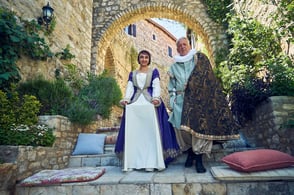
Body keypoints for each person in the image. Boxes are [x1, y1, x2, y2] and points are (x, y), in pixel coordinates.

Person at [168, 37, 240, 173]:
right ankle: (190, 151)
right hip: (180, 101)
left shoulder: (198, 59)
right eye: (180, 46)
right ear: (177, 49)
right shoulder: (173, 66)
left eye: (185, 44)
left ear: (189, 46)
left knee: (199, 128)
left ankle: (199, 159)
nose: (182, 47)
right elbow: (170, 86)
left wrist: (192, 85)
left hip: (198, 100)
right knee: (181, 129)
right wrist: (172, 100)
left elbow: (207, 77)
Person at [115, 50, 181, 172]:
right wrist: (126, 99)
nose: (144, 59)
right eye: (141, 57)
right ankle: (132, 162)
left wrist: (156, 98)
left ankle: (152, 161)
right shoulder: (132, 73)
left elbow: (156, 85)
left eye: (146, 57)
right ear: (138, 59)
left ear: (149, 59)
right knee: (135, 133)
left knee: (150, 133)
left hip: (149, 99)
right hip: (136, 101)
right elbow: (130, 87)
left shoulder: (153, 72)